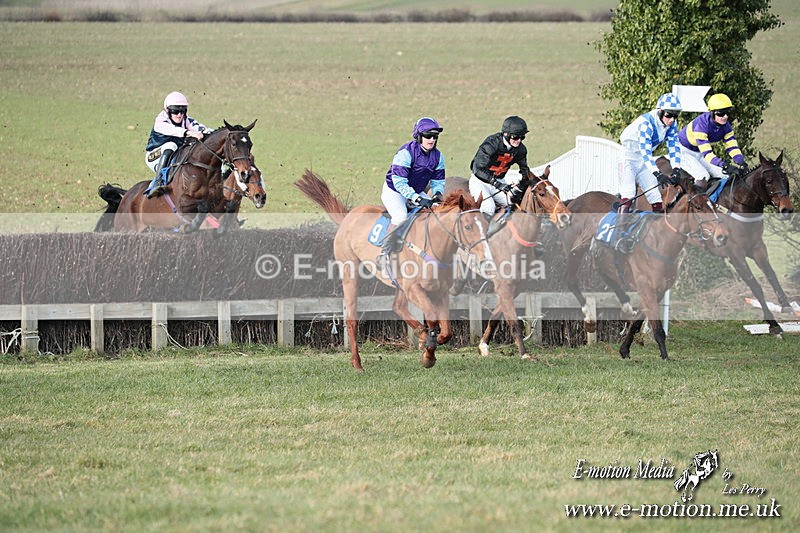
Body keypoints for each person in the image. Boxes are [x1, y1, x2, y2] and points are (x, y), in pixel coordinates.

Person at [378, 117, 445, 267]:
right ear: (419, 136)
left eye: (435, 136)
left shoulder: (438, 156)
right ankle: (383, 254)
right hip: (394, 191)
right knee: (400, 216)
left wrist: (437, 194)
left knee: (437, 212)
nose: (432, 139)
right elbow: (400, 182)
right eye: (428, 136)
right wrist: (418, 198)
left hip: (415, 191)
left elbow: (438, 181)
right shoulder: (406, 152)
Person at [618, 92, 684, 221]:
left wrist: (676, 169)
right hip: (628, 158)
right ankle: (618, 233)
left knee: (655, 196)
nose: (671, 119)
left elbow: (674, 147)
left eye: (675, 116)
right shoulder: (646, 123)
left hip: (643, 160)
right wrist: (657, 173)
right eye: (668, 115)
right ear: (659, 112)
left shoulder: (672, 124)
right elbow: (646, 152)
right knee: (629, 194)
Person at [678, 93, 748, 194]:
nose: (725, 117)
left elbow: (732, 147)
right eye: (720, 114)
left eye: (727, 113)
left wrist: (741, 162)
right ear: (712, 113)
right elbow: (707, 154)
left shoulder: (726, 126)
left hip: (699, 152)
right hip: (682, 151)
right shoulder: (701, 125)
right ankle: (693, 205)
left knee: (724, 176)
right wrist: (724, 165)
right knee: (703, 176)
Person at [143, 91, 208, 198]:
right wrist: (188, 132)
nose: (179, 115)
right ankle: (158, 183)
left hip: (175, 155)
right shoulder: (160, 121)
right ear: (167, 110)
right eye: (175, 111)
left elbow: (202, 129)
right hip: (154, 156)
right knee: (171, 145)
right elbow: (173, 130)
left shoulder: (186, 119)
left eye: (183, 111)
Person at [469, 116, 531, 222]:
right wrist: (497, 184)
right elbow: (477, 169)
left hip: (499, 181)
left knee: (515, 205)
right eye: (516, 137)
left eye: (522, 137)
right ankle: (485, 235)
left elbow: (524, 170)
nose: (519, 141)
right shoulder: (491, 144)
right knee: (489, 207)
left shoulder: (521, 150)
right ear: (506, 134)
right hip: (480, 181)